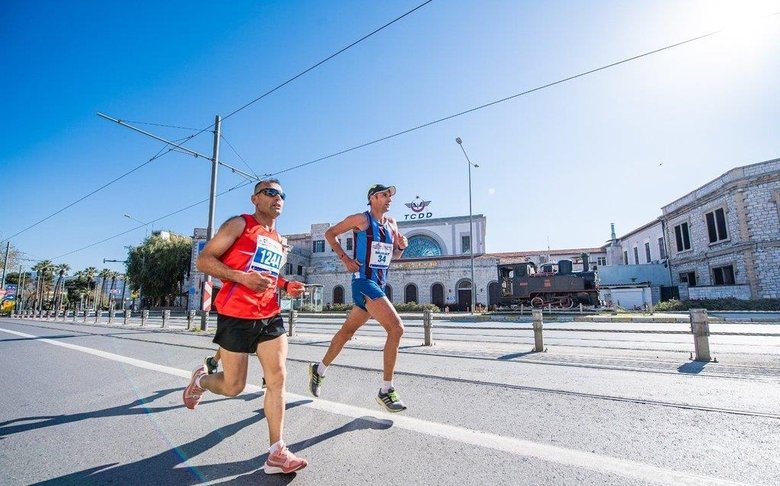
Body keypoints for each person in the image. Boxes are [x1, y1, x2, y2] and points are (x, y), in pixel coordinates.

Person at [183, 178, 308, 475]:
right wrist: (240, 278)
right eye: (271, 193)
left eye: (282, 195)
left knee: (277, 378)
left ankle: (276, 452)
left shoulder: (278, 239)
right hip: (235, 314)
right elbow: (204, 261)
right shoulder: (239, 224)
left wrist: (286, 284)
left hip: (269, 315)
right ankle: (200, 381)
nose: (278, 198)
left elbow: (266, 275)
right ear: (255, 198)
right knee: (233, 386)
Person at [307, 184, 409, 412]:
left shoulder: (392, 224)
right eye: (384, 195)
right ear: (372, 198)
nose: (389, 198)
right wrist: (344, 259)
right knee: (396, 328)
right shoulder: (360, 219)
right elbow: (329, 234)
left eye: (390, 195)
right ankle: (386, 390)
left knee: (347, 333)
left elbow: (394, 255)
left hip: (379, 282)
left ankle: (319, 370)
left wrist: (401, 247)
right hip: (363, 281)